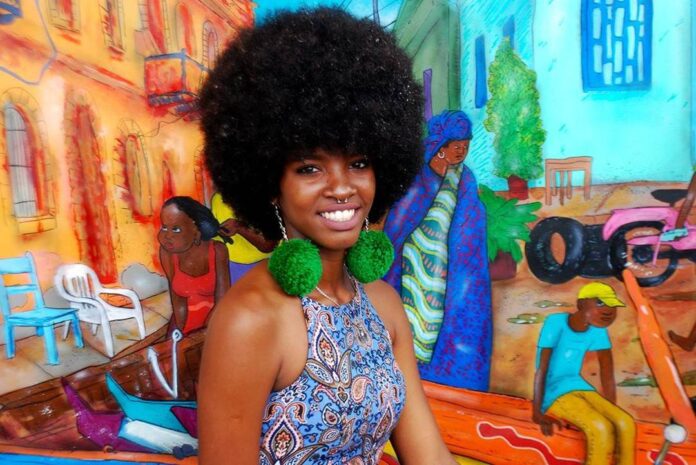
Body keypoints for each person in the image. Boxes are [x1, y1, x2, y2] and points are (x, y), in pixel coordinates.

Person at [197, 8, 458, 465]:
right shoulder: (249, 319)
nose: (342, 187)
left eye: (358, 163)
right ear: (271, 185)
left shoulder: (383, 305)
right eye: (310, 168)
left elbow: (429, 454)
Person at [383, 110, 492, 390]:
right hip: (414, 265)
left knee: (454, 317)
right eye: (456, 145)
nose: (461, 151)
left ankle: (449, 379)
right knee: (413, 322)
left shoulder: (465, 178)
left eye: (466, 145)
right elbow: (400, 222)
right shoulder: (418, 179)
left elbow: (471, 217)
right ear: (441, 145)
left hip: (452, 264)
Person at [533, 282, 635, 465]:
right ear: (581, 304)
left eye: (613, 305)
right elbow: (542, 369)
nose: (608, 311)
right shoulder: (555, 323)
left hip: (578, 385)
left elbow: (606, 371)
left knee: (625, 422)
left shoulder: (598, 330)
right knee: (599, 427)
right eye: (600, 303)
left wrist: (609, 409)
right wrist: (538, 413)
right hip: (553, 391)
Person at [158, 196, 230, 335]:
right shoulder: (167, 252)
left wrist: (203, 334)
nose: (167, 236)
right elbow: (177, 299)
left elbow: (222, 301)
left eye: (176, 229)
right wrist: (183, 331)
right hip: (186, 320)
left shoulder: (217, 250)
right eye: (164, 227)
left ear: (196, 231)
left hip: (216, 319)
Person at [210, 191, 276, 285]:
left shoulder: (265, 198)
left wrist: (239, 227)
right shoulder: (220, 199)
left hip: (261, 265)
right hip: (234, 267)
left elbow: (268, 245)